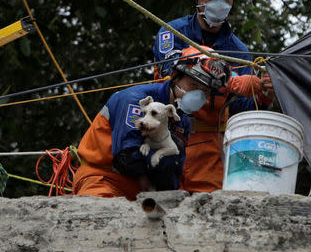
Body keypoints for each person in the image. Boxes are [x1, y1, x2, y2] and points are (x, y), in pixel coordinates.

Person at [152, 0, 275, 193]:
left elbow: (242, 111)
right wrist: (227, 78)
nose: (220, 2)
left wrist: (263, 94)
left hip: (209, 148)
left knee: (206, 213)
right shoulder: (172, 32)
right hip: (164, 135)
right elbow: (169, 69)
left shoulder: (238, 51)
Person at [73, 47, 231, 200]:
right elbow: (127, 159)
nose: (197, 95)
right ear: (175, 76)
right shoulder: (136, 101)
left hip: (142, 193)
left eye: (205, 91)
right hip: (103, 180)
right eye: (193, 85)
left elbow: (174, 174)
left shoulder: (182, 121)